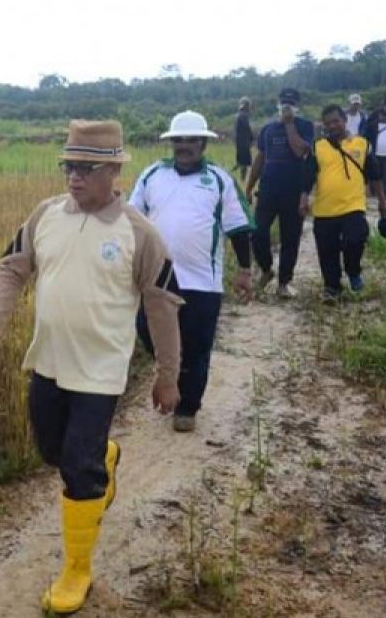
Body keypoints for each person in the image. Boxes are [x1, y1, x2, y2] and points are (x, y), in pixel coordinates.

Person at [0, 119, 182, 615]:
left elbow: (163, 304)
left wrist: (168, 373)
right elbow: (11, 271)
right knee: (52, 451)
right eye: (68, 165)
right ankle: (102, 456)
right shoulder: (45, 215)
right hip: (47, 362)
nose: (74, 176)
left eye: (86, 167)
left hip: (101, 371)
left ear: (113, 169)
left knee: (76, 471)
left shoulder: (139, 233)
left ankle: (77, 569)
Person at [129, 110, 255, 432]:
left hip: (202, 283)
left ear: (203, 143)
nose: (184, 145)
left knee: (197, 347)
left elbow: (238, 228)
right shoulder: (152, 175)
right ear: (171, 143)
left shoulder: (218, 179)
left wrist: (244, 270)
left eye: (191, 140)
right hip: (156, 282)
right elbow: (130, 222)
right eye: (179, 140)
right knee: (149, 334)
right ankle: (170, 375)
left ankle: (187, 406)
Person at [303, 105, 386, 303]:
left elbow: (375, 175)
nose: (332, 126)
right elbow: (308, 176)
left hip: (353, 207)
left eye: (336, 121)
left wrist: (382, 202)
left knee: (355, 239)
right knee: (327, 251)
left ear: (344, 121)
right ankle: (332, 288)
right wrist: (303, 197)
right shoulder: (318, 147)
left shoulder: (362, 144)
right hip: (324, 210)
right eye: (328, 124)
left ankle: (353, 272)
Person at [244, 88, 315, 298]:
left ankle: (284, 282)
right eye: (283, 102)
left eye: (291, 103)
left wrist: (290, 124)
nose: (286, 105)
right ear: (278, 103)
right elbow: (260, 159)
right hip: (268, 190)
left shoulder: (305, 126)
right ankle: (266, 269)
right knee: (257, 232)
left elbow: (300, 151)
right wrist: (248, 187)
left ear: (297, 105)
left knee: (290, 238)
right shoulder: (267, 129)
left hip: (294, 192)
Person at [234, 97, 254, 183]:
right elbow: (247, 128)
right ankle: (243, 180)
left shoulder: (238, 115)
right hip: (243, 143)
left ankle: (242, 178)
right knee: (244, 164)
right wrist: (252, 138)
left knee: (242, 162)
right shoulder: (243, 116)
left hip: (239, 142)